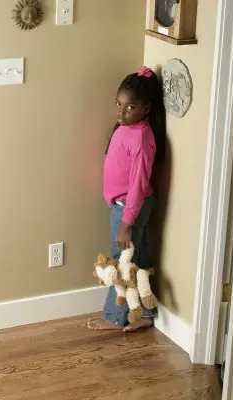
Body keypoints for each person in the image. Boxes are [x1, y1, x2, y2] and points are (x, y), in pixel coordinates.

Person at [87, 66, 166, 332]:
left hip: (130, 208)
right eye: (118, 104)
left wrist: (126, 222)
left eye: (130, 107)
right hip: (126, 205)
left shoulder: (142, 138)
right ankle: (144, 313)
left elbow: (138, 185)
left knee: (119, 262)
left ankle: (114, 316)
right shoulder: (128, 127)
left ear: (146, 109)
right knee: (137, 258)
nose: (121, 111)